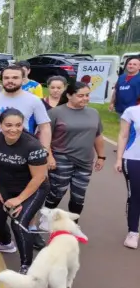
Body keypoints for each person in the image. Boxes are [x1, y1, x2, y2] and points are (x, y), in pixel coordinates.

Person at [0, 66, 51, 227]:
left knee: (29, 190)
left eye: (15, 77)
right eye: (7, 77)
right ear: (2, 79)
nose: (10, 81)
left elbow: (45, 127)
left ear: (23, 79)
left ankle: (30, 225)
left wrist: (45, 151)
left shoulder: (33, 100)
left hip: (24, 155)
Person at [0, 109, 50, 274]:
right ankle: (6, 243)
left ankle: (27, 265)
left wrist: (19, 199)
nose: (14, 129)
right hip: (5, 184)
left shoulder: (33, 145)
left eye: (18, 125)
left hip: (33, 188)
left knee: (18, 224)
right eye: (9, 125)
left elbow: (39, 178)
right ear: (0, 125)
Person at [44, 82, 105, 219]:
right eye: (80, 96)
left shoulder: (93, 113)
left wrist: (101, 156)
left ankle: (73, 223)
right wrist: (49, 156)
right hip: (61, 159)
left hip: (85, 161)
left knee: (79, 195)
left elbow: (98, 136)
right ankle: (46, 216)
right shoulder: (55, 112)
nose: (85, 98)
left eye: (87, 95)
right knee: (57, 191)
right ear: (69, 96)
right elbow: (45, 137)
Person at [117, 96, 140, 248]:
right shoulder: (132, 111)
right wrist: (119, 158)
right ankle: (133, 232)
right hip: (133, 159)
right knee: (136, 196)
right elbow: (123, 135)